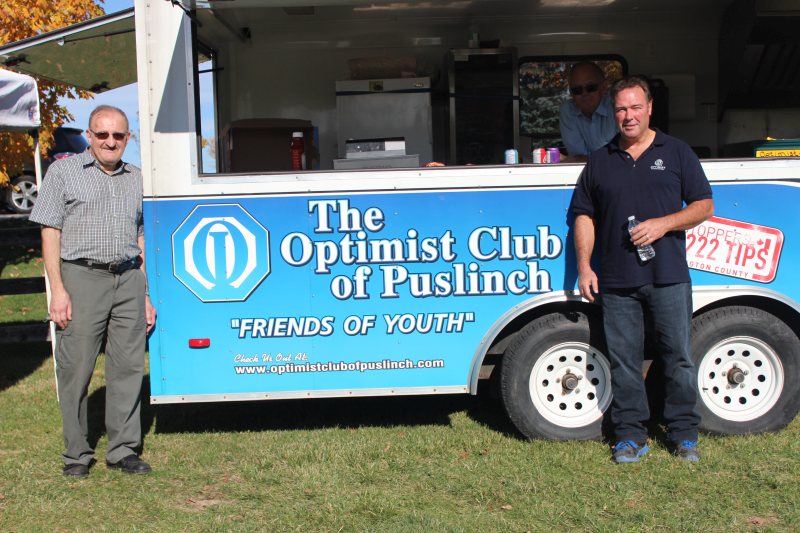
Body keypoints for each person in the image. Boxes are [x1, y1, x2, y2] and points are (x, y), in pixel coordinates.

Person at [569, 76, 714, 463]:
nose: (628, 116)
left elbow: (704, 206)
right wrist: (584, 266)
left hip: (668, 276)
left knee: (678, 357)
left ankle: (684, 434)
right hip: (617, 281)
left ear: (649, 108)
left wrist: (663, 224)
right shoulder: (601, 160)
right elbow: (583, 215)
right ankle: (631, 436)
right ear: (612, 113)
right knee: (624, 362)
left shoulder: (677, 152)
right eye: (620, 109)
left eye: (635, 107)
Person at [30, 105, 156, 477]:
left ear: (127, 139)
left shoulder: (137, 178)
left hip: (129, 277)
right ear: (90, 135)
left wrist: (144, 292)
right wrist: (58, 290)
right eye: (102, 135)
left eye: (118, 136)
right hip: (81, 278)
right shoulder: (64, 172)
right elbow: (50, 231)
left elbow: (142, 235)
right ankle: (76, 454)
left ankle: (123, 450)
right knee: (76, 368)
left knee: (128, 367)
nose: (110, 142)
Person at [559, 61, 618, 161]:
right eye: (577, 90)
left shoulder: (616, 106)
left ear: (604, 87)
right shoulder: (568, 111)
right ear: (572, 94)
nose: (584, 94)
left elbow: (623, 157)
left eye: (591, 88)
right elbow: (578, 158)